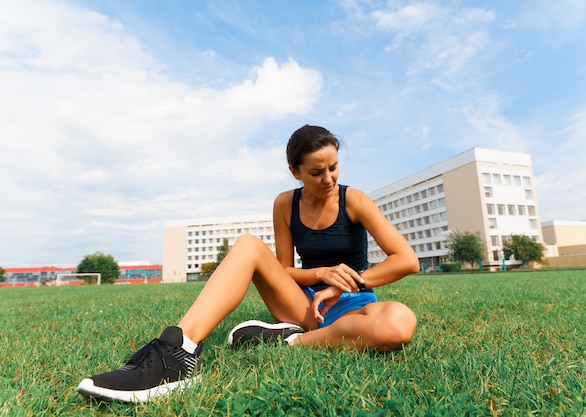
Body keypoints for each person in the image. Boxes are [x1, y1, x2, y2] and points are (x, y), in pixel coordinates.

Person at [77, 125, 420, 403]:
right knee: (248, 245)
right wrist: (319, 274)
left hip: (352, 306)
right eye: (316, 172)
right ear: (294, 172)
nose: (328, 179)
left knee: (398, 324)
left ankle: (291, 341)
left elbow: (406, 260)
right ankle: (177, 353)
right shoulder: (286, 204)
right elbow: (283, 269)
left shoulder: (354, 200)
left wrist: (343, 283)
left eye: (333, 167)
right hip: (302, 304)